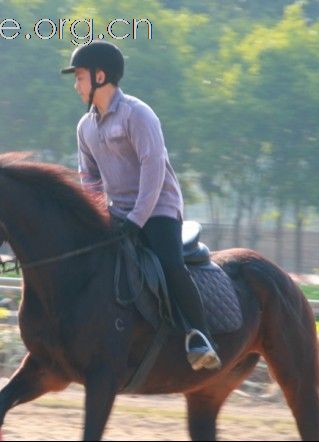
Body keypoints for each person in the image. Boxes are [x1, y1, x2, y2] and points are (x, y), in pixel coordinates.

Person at [61, 41, 221, 371]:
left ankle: (201, 336)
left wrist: (136, 219)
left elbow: (154, 169)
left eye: (80, 77)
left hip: (158, 209)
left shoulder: (139, 114)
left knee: (170, 264)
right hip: (117, 213)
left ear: (100, 76)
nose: (76, 85)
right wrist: (98, 213)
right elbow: (88, 177)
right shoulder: (85, 127)